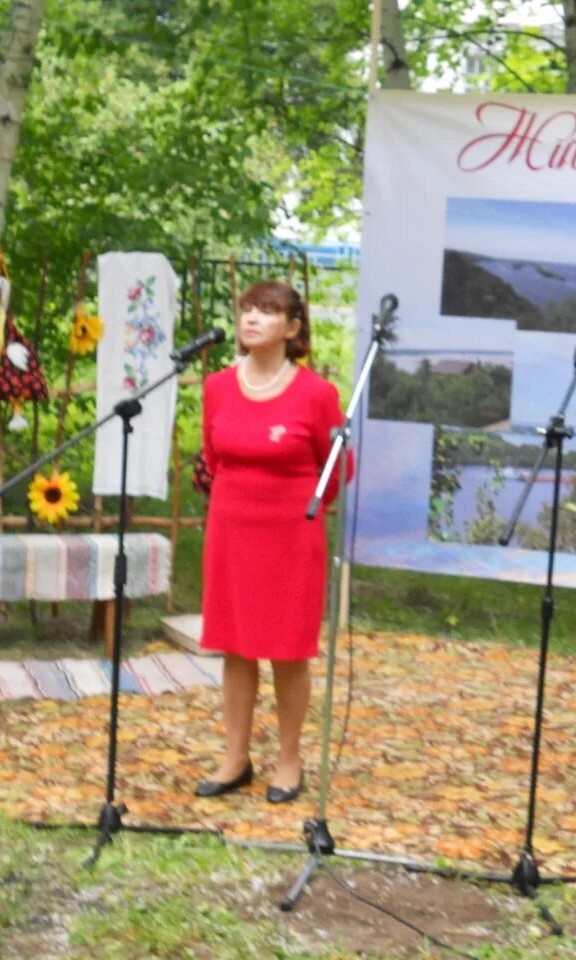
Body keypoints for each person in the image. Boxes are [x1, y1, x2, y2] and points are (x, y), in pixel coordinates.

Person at [194, 280, 352, 804]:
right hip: (231, 526)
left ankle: (289, 760)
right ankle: (235, 757)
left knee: (287, 650)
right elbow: (213, 459)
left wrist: (299, 508)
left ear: (293, 328)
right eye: (246, 309)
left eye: (267, 311)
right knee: (234, 647)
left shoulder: (317, 393)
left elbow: (337, 468)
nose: (251, 319)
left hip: (291, 531)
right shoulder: (217, 385)